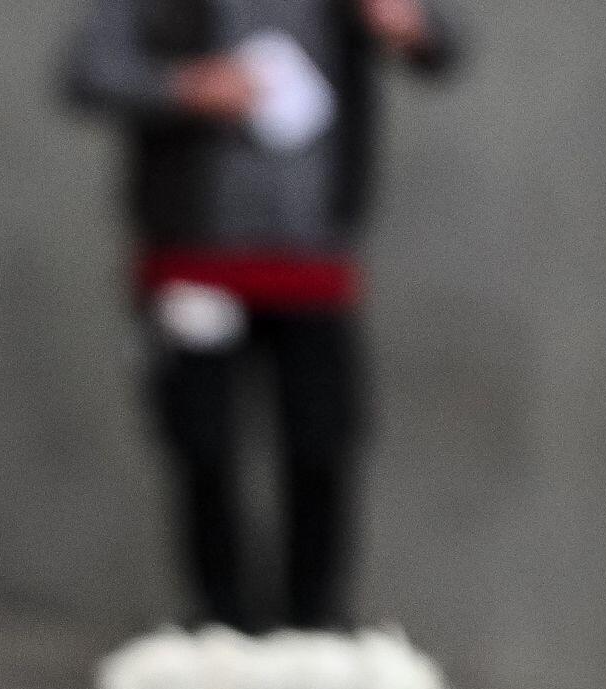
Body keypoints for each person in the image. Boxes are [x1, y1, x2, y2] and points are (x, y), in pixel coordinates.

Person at [65, 0, 461, 631]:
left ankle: (314, 623)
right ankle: (221, 624)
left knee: (321, 443)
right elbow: (89, 70)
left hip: (313, 262)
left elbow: (443, 43)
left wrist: (407, 25)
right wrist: (187, 86)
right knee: (203, 445)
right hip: (194, 257)